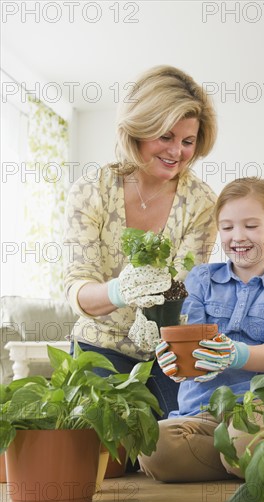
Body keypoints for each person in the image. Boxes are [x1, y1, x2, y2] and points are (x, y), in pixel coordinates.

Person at [63, 66, 218, 419]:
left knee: (182, 442)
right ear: (138, 130)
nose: (177, 152)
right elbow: (77, 288)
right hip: (101, 342)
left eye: (188, 141)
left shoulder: (201, 202)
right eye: (165, 136)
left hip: (167, 350)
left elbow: (185, 288)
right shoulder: (92, 190)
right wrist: (120, 291)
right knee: (111, 448)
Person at [138, 177, 264, 482]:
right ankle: (238, 460)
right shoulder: (200, 279)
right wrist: (174, 362)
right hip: (201, 413)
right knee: (154, 446)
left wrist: (233, 354)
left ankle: (236, 453)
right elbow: (186, 341)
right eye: (228, 227)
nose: (238, 237)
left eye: (251, 226)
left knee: (243, 435)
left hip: (256, 407)